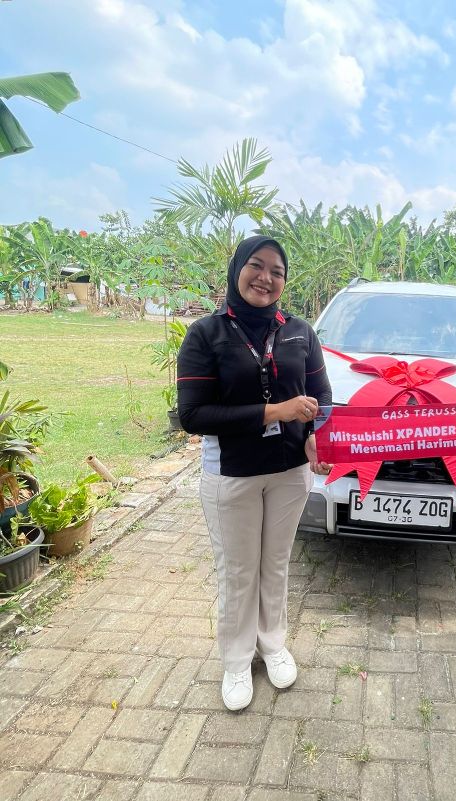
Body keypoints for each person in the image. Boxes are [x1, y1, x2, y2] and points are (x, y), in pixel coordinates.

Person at [177, 235, 332, 711]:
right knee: (239, 571)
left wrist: (315, 434)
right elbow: (193, 416)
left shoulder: (300, 332)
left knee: (276, 563)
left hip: (290, 472)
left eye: (277, 271)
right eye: (256, 266)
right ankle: (237, 660)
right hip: (232, 474)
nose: (266, 278)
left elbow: (322, 397)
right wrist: (275, 412)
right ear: (237, 269)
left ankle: (273, 644)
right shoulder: (206, 334)